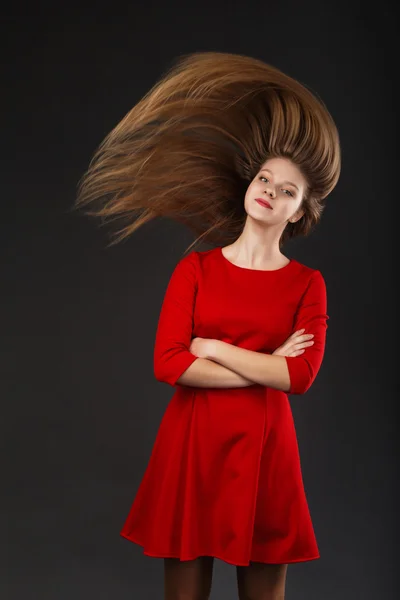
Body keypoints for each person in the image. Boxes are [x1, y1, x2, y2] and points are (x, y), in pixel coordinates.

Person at [75, 51, 341, 600]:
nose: (270, 190)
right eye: (266, 178)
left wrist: (214, 346)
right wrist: (267, 366)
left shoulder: (307, 285)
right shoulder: (194, 269)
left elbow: (301, 377)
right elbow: (169, 363)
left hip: (267, 453)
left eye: (287, 190)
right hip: (191, 446)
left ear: (300, 210)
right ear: (250, 183)